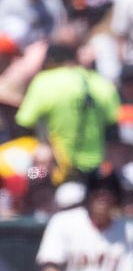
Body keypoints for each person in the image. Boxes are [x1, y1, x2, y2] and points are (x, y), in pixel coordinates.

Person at [15, 42, 120, 183]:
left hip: (56, 171)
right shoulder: (102, 83)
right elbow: (113, 120)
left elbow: (24, 120)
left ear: (50, 61)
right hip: (97, 170)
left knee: (25, 175)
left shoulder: (44, 81)